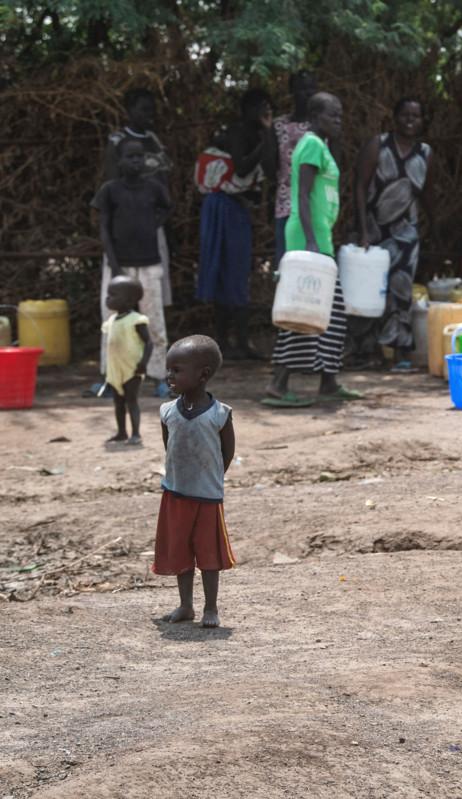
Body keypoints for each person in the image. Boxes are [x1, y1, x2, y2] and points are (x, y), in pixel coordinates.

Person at [264, 92, 363, 407]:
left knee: (329, 313)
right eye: (332, 115)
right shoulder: (310, 144)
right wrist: (310, 241)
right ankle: (278, 384)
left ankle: (329, 381)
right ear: (315, 117)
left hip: (319, 236)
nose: (338, 121)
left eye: (340, 116)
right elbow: (302, 195)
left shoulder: (322, 146)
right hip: (309, 238)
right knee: (303, 309)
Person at [156, 336, 236, 629]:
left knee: (209, 554)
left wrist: (211, 479)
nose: (169, 376)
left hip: (207, 496)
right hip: (176, 493)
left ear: (202, 374)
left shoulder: (220, 414)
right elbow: (170, 448)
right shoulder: (167, 412)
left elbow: (227, 453)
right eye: (169, 369)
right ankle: (185, 605)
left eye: (177, 370)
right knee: (180, 551)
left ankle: (211, 608)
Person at [97, 88, 173, 398]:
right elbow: (103, 226)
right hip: (119, 263)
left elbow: (167, 206)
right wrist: (114, 264)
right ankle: (111, 376)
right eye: (131, 157)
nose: (136, 161)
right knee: (112, 321)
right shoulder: (110, 189)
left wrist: (152, 224)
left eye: (140, 157)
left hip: (149, 261)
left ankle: (158, 376)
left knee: (153, 320)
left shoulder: (153, 184)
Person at [350, 97, 435, 371]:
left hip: (406, 233)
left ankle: (399, 351)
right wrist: (363, 230)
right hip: (375, 230)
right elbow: (360, 187)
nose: (410, 120)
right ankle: (369, 350)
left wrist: (428, 224)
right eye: (405, 115)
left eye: (416, 115)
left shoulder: (425, 153)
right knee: (370, 290)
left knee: (401, 291)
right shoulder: (379, 145)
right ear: (395, 117)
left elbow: (426, 193)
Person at [196, 88, 273, 360]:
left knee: (234, 273)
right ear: (247, 110)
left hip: (233, 210)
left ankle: (234, 341)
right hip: (226, 210)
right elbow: (241, 168)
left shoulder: (249, 133)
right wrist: (266, 138)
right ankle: (233, 342)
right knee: (230, 272)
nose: (265, 112)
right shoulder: (241, 133)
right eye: (259, 106)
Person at [264, 71, 317, 268]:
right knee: (287, 262)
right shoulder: (279, 125)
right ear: (291, 91)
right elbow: (270, 169)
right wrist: (267, 132)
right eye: (302, 89)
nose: (308, 93)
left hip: (316, 205)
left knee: (313, 264)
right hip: (286, 203)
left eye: (312, 88)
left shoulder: (321, 125)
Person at [101, 276, 152, 445]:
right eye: (108, 294)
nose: (108, 298)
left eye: (113, 294)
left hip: (132, 368)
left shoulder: (136, 320)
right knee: (118, 402)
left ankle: (136, 434)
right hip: (116, 369)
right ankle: (121, 432)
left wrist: (143, 363)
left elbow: (149, 343)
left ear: (129, 300)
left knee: (131, 400)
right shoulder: (111, 321)